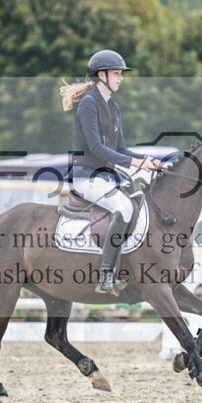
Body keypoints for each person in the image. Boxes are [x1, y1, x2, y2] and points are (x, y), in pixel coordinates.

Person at [61, 50, 161, 294]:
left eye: (121, 74)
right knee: (124, 208)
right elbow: (96, 148)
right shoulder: (88, 103)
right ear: (101, 75)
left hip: (104, 177)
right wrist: (135, 164)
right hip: (86, 176)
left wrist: (145, 159)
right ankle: (105, 276)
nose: (121, 78)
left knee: (137, 199)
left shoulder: (113, 107)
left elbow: (120, 148)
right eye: (117, 73)